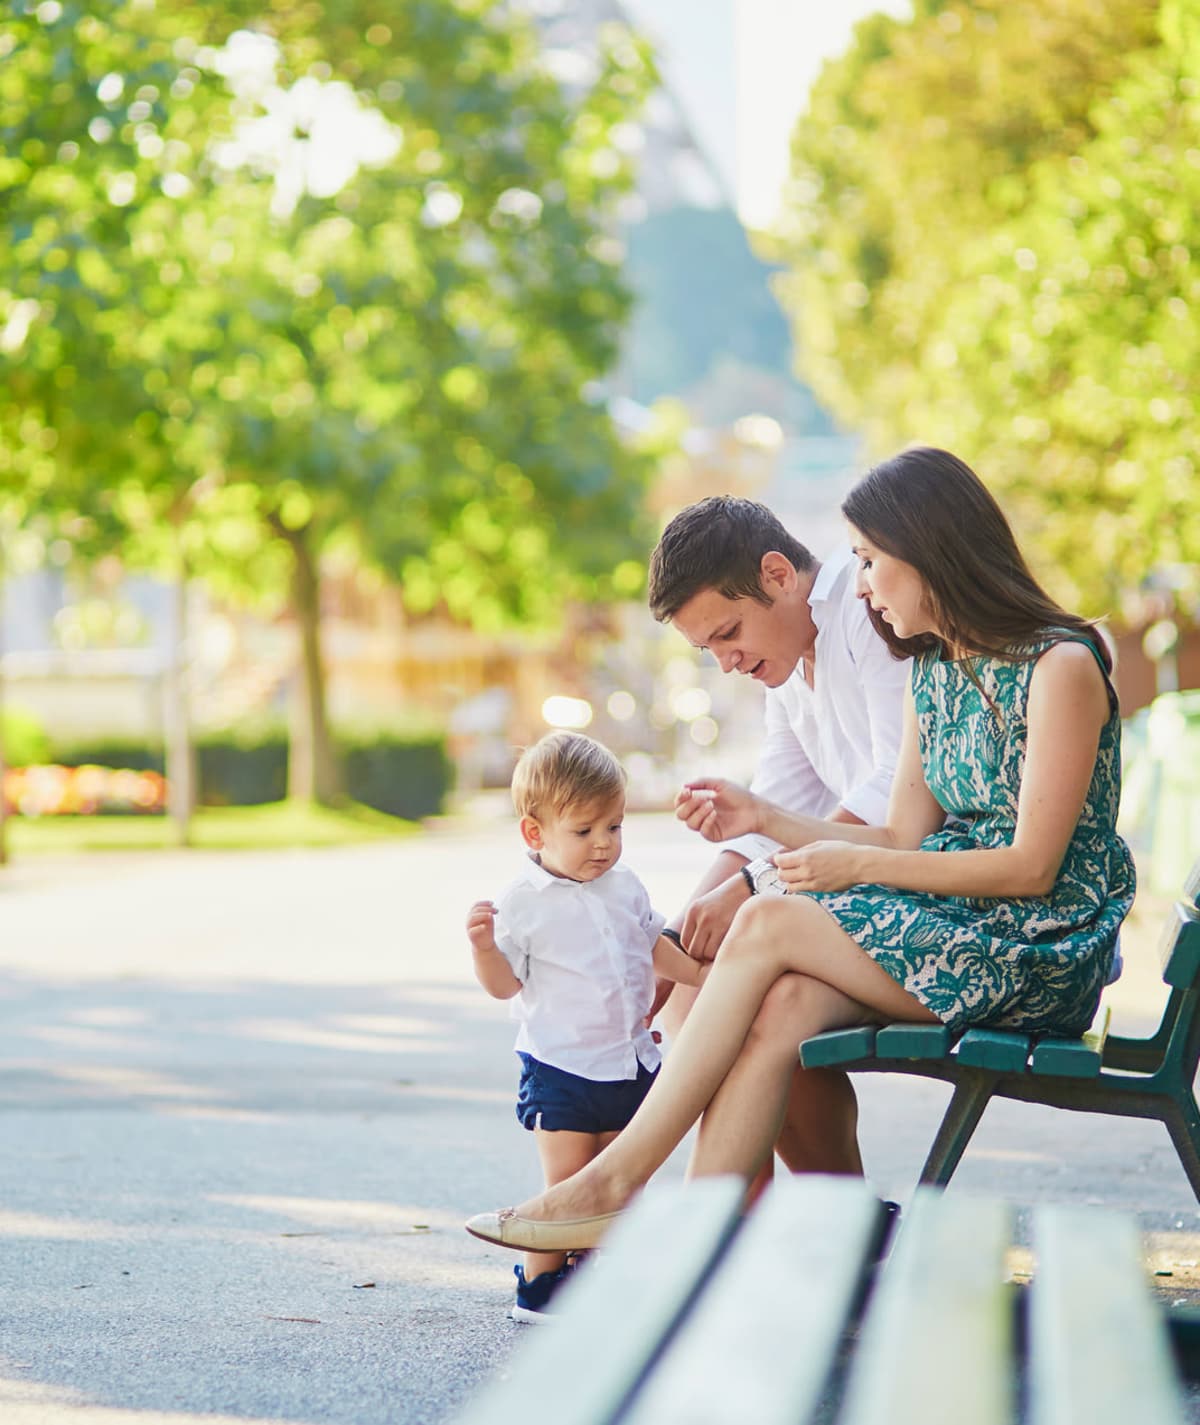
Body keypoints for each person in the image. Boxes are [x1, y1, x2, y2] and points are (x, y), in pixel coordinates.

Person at [465, 446, 1137, 1253]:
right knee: (778, 1003)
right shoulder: (935, 674)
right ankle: (707, 1255)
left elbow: (1031, 869)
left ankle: (621, 1183)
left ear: (932, 550)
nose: (858, 583)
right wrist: (767, 822)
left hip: (1037, 946)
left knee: (766, 926)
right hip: (956, 925)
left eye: (870, 560)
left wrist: (821, 870)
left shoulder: (1061, 663)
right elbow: (898, 836)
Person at [647, 495, 909, 1183]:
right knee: (681, 981)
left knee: (765, 986)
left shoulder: (865, 612)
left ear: (778, 574)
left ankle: (823, 1212)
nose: (727, 662)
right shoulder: (789, 663)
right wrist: (674, 937)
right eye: (710, 649)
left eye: (729, 633)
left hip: (913, 884)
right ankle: (766, 1213)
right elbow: (774, 808)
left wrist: (749, 889)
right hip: (852, 886)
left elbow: (895, 791)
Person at [466, 730, 707, 1317]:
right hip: (561, 1068)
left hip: (628, 1063)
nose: (603, 845)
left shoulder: (624, 887)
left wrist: (715, 974)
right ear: (535, 832)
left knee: (623, 1186)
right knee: (571, 1187)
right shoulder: (521, 902)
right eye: (584, 831)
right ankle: (539, 1284)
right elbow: (505, 988)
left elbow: (655, 947)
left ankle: (607, 1282)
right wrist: (483, 951)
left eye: (615, 827)